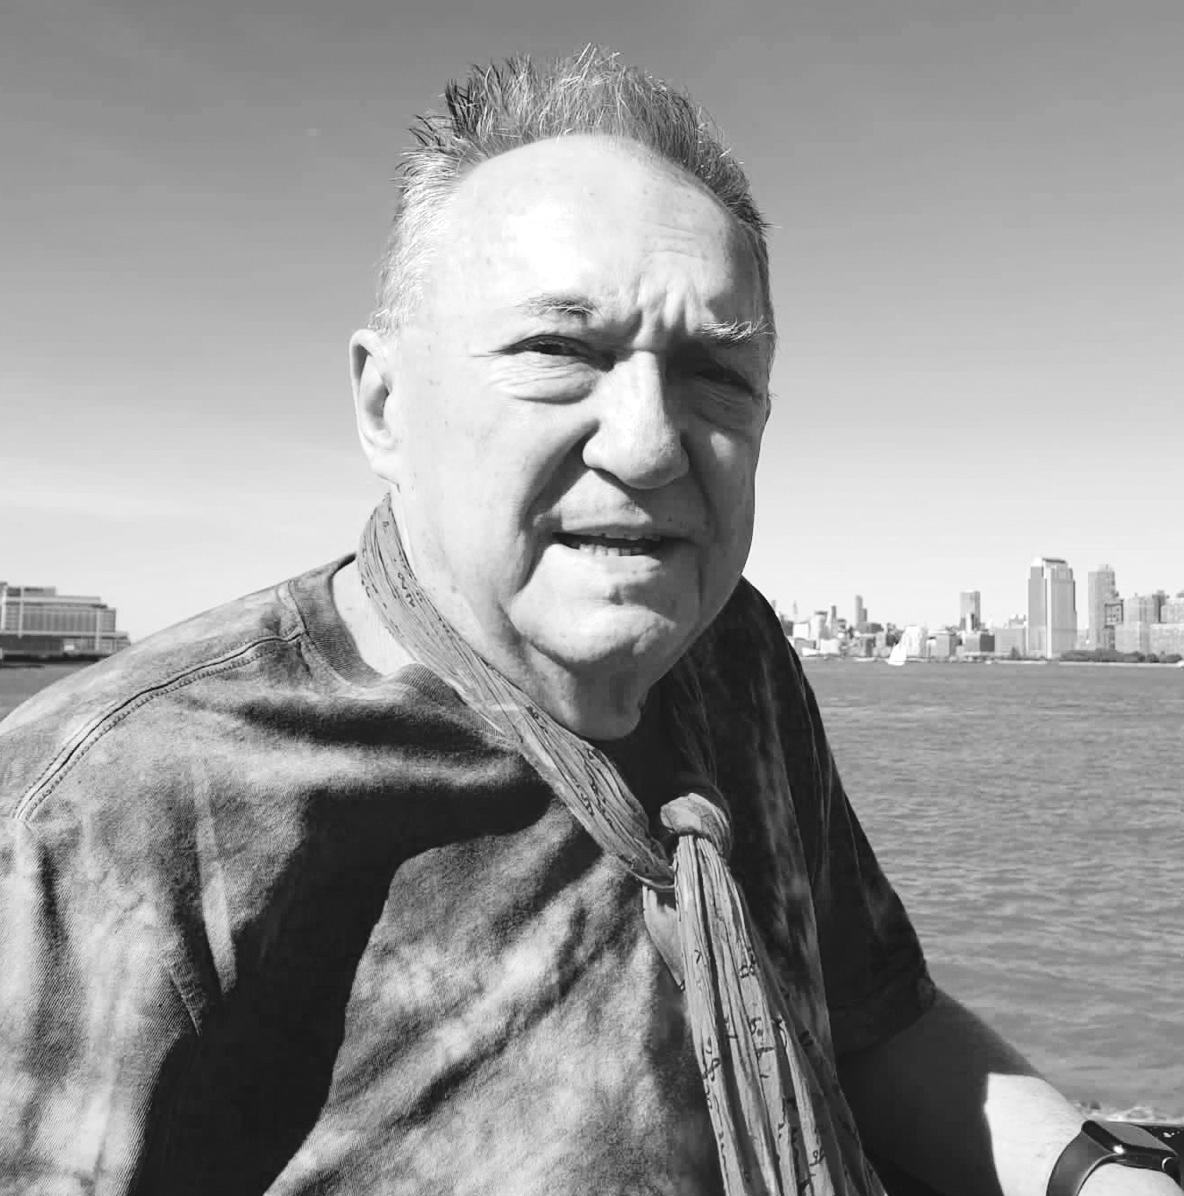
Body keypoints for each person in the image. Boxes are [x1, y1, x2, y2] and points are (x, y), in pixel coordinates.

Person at [0, 48, 1176, 1196]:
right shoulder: (111, 808)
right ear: (384, 403)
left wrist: (1095, 1172)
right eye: (559, 349)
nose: (650, 442)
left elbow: (875, 1018)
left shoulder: (734, 661)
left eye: (716, 373)